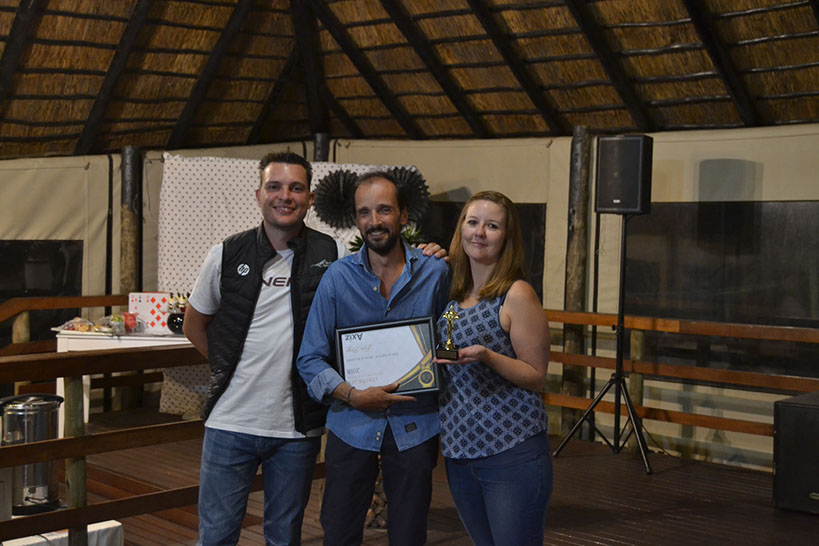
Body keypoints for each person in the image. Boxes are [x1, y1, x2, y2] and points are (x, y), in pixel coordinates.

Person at [297, 170, 450, 546]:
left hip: (416, 425)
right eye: (364, 212)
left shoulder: (436, 272)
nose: (374, 221)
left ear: (404, 215)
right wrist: (351, 394)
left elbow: (451, 339)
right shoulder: (337, 278)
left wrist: (442, 365)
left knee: (409, 533)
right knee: (339, 531)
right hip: (352, 423)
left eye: (384, 210)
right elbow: (310, 358)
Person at [434, 191, 552, 546]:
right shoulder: (452, 292)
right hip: (459, 450)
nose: (480, 232)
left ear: (507, 237)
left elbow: (536, 376)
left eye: (492, 226)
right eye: (472, 222)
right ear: (461, 229)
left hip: (510, 451)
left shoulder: (517, 294)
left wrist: (487, 356)